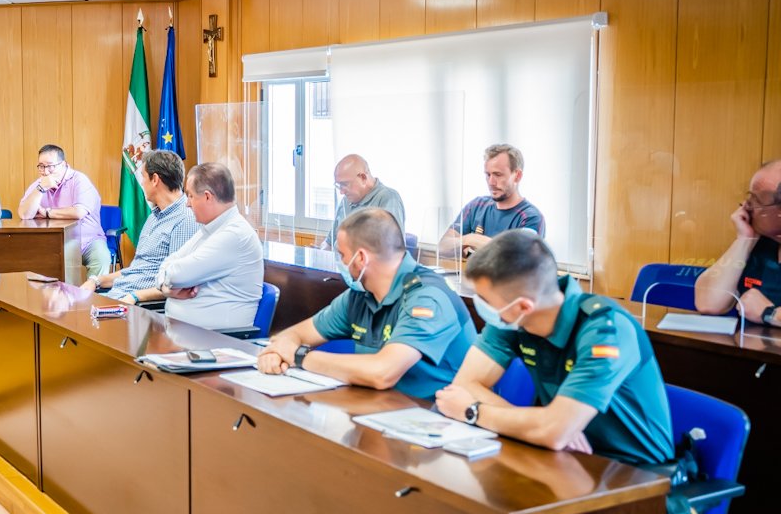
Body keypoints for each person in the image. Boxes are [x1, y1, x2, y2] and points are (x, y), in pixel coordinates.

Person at [435, 229, 673, 467]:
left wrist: (473, 411)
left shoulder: (607, 331)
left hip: (637, 475)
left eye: (484, 299)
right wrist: (542, 424)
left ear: (523, 307)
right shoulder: (509, 318)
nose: (480, 305)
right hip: (560, 457)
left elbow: (553, 431)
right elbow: (465, 384)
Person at [260, 208, 475, 399]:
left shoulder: (427, 297)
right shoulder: (361, 294)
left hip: (439, 422)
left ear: (361, 258)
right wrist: (277, 351)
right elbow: (293, 335)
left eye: (342, 255)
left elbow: (382, 373)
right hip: (383, 410)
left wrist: (300, 356)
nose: (341, 263)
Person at [82, 150, 198, 305]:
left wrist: (135, 297)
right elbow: (136, 270)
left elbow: (177, 285)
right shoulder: (154, 216)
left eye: (143, 177)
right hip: (120, 294)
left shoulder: (185, 220)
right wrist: (96, 281)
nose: (142, 183)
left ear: (155, 179)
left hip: (136, 306)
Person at [156, 162, 263, 329]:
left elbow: (176, 274)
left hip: (215, 342)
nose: (187, 204)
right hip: (183, 335)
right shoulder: (211, 228)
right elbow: (168, 264)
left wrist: (167, 280)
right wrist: (165, 287)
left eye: (190, 196)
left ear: (207, 196)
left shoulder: (234, 234)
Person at [695, 159, 781, 325]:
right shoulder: (759, 245)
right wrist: (744, 239)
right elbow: (708, 303)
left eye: (755, 200)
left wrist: (768, 314)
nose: (746, 206)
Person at [18, 144, 110, 276]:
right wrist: (40, 189)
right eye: (41, 166)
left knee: (101, 259)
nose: (45, 171)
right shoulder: (40, 183)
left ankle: (95, 296)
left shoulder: (79, 180)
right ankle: (57, 296)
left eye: (50, 166)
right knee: (30, 259)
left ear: (63, 164)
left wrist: (47, 212)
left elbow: (78, 212)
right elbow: (24, 214)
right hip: (53, 243)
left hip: (87, 240)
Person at [439, 143, 545, 259]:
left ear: (517, 176)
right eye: (488, 174)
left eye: (498, 175)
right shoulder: (476, 206)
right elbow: (442, 248)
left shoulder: (531, 218)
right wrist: (468, 239)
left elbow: (518, 260)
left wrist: (475, 240)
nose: (491, 182)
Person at [321, 154, 405, 249]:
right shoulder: (345, 200)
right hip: (338, 262)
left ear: (363, 178)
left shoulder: (388, 199)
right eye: (339, 185)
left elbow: (391, 251)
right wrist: (320, 252)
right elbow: (329, 242)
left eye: (344, 184)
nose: (341, 191)